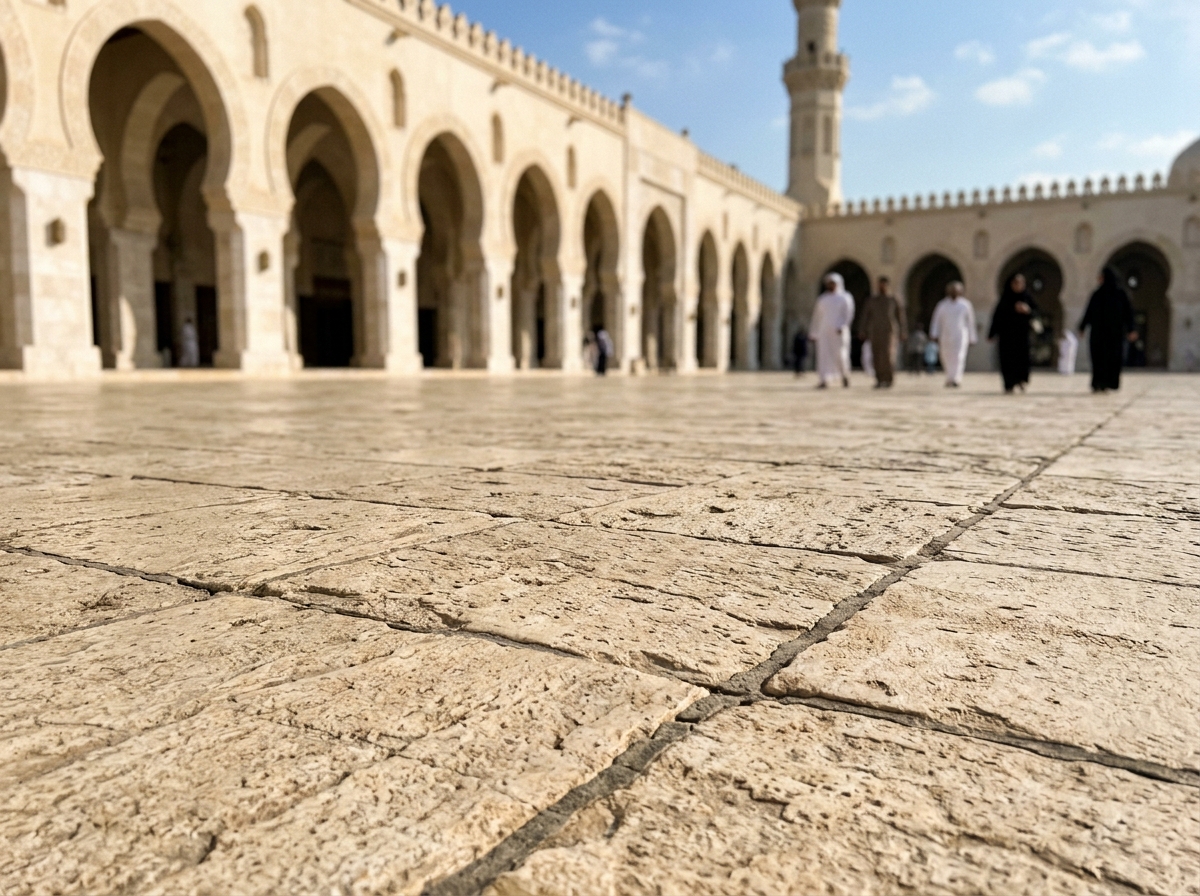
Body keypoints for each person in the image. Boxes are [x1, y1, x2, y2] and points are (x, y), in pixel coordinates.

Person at [1079, 267, 1137, 393]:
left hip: (1113, 335)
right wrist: (1082, 327)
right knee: (1099, 359)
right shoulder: (1097, 294)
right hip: (1101, 334)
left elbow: (1128, 313)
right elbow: (1089, 312)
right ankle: (1099, 383)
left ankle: (1108, 383)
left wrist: (1131, 329)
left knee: (1112, 359)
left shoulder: (1121, 294)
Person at [989, 273, 1039, 393]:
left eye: (1021, 283)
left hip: (1022, 335)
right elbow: (997, 317)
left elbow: (1037, 314)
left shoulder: (1027, 298)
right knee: (1007, 360)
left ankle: (1021, 380)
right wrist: (992, 333)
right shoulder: (1005, 299)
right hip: (1007, 336)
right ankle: (1009, 384)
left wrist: (1027, 310)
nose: (1018, 286)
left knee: (1022, 359)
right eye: (1016, 283)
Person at [858, 276, 905, 388]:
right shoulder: (872, 300)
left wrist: (903, 331)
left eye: (883, 285)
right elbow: (865, 317)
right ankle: (879, 379)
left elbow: (900, 318)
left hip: (889, 332)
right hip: (874, 332)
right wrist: (862, 330)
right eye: (879, 285)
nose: (881, 287)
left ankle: (888, 379)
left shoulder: (893, 300)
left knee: (888, 355)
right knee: (876, 356)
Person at [810, 273, 855, 389]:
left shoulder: (845, 297)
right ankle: (824, 379)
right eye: (829, 283)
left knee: (840, 354)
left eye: (833, 283)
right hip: (824, 331)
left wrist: (843, 326)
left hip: (838, 331)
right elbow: (817, 317)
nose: (831, 286)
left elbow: (848, 314)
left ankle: (844, 375)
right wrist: (814, 332)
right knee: (823, 355)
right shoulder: (823, 299)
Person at [929, 281, 977, 388]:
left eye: (956, 290)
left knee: (959, 356)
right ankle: (949, 377)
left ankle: (956, 379)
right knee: (946, 356)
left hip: (960, 334)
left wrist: (972, 337)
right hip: (945, 335)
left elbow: (970, 322)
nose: (954, 292)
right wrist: (934, 333)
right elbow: (936, 320)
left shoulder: (965, 305)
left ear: (961, 291)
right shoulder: (942, 305)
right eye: (952, 290)